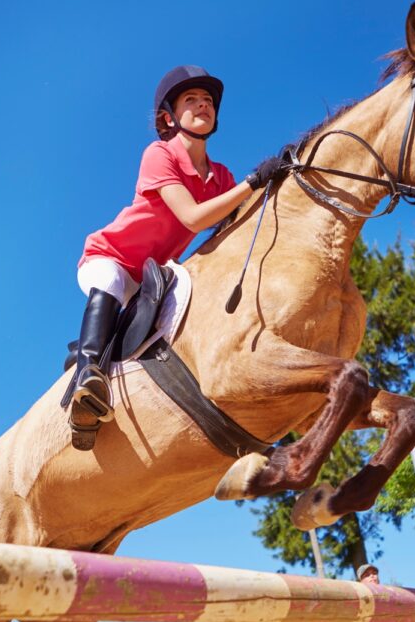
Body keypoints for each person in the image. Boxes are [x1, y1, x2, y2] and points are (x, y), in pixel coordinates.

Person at [65, 65, 289, 450]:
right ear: (169, 117)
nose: (203, 104)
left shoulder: (220, 176)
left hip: (154, 279)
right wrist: (253, 182)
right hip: (110, 256)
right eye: (191, 99)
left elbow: (238, 224)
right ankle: (87, 377)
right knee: (113, 281)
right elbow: (193, 218)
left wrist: (278, 183)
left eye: (208, 100)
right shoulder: (159, 154)